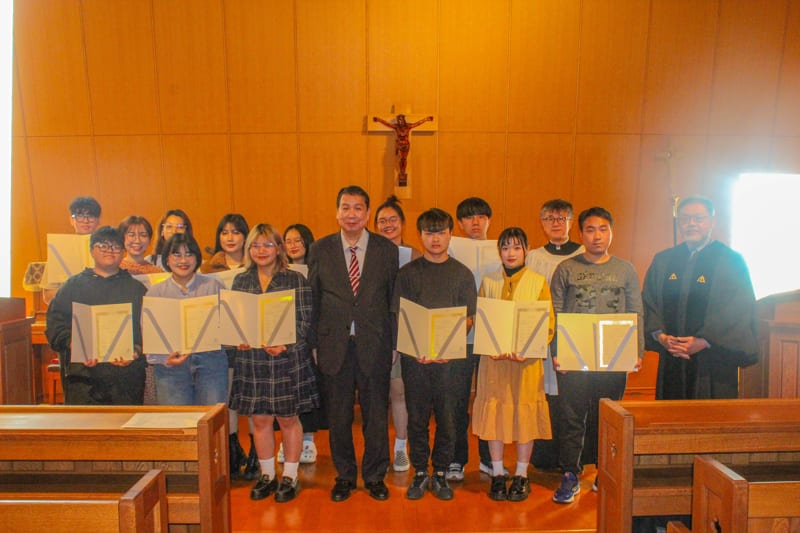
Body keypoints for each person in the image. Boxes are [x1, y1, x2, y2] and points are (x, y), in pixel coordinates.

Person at [307, 185, 399, 502]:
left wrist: (395, 342)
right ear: (337, 213)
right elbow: (313, 299)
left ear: (367, 214)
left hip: (376, 343)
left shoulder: (386, 251)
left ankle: (375, 476)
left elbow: (393, 301)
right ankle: (345, 475)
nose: (351, 214)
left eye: (358, 208)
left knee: (376, 415)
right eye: (345, 207)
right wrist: (313, 342)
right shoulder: (320, 249)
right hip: (334, 344)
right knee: (339, 415)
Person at [550, 207, 644, 504]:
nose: (597, 236)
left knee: (609, 416)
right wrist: (557, 352)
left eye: (603, 229)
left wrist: (636, 350)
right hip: (574, 354)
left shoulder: (625, 269)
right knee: (572, 416)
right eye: (590, 230)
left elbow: (636, 310)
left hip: (614, 354)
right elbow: (555, 313)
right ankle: (570, 473)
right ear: (580, 234)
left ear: (611, 232)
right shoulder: (566, 268)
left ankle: (607, 469)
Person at [229, 224, 319, 503]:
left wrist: (286, 345)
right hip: (253, 359)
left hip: (286, 359)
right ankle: (267, 475)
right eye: (255, 245)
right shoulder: (241, 281)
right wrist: (238, 338)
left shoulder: (295, 279)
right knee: (259, 419)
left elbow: (304, 320)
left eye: (268, 245)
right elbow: (235, 321)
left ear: (279, 249)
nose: (261, 251)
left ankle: (290, 475)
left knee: (288, 419)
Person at [393, 208, 476, 500]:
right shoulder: (407, 274)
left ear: (451, 234)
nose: (435, 238)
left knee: (448, 417)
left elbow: (468, 318)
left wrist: (445, 346)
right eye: (429, 233)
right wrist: (417, 348)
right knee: (417, 417)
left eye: (441, 232)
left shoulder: (462, 274)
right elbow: (401, 316)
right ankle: (419, 471)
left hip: (451, 360)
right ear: (420, 236)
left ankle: (440, 471)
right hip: (415, 359)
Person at [643, 196, 758, 400]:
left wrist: (704, 341)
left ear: (712, 221)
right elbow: (649, 303)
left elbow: (739, 309)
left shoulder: (731, 261)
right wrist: (661, 337)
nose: (691, 224)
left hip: (713, 364)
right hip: (672, 359)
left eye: (698, 218)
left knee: (710, 416)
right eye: (685, 218)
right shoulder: (664, 260)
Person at [473, 227, 554, 502]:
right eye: (505, 247)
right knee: (494, 413)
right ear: (499, 251)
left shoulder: (538, 282)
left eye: (516, 247)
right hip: (494, 361)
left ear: (526, 250)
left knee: (525, 414)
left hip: (526, 362)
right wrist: (490, 345)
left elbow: (547, 324)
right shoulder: (489, 281)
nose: (510, 253)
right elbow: (483, 320)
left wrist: (529, 349)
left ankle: (521, 474)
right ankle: (497, 473)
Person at [45, 226, 147, 405]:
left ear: (123, 253)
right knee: (85, 422)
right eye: (102, 245)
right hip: (83, 378)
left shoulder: (136, 289)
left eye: (115, 246)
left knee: (124, 422)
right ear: (92, 250)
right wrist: (73, 343)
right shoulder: (72, 286)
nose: (109, 250)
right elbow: (55, 323)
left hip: (125, 378)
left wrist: (136, 351)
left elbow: (147, 330)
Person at [525, 199, 584, 470]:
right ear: (542, 223)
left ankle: (572, 457)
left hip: (574, 335)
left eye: (561, 218)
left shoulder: (583, 254)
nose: (556, 224)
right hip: (541, 336)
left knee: (572, 396)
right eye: (550, 219)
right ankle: (545, 456)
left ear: (571, 222)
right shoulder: (534, 257)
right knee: (545, 394)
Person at [199, 213, 254, 480]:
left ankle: (256, 451)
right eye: (224, 232)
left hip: (251, 340)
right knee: (228, 396)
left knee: (253, 396)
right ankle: (232, 449)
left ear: (245, 236)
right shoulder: (207, 269)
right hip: (221, 340)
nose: (230, 237)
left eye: (236, 232)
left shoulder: (255, 263)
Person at [145, 233, 228, 406]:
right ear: (167, 259)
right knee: (177, 419)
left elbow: (229, 328)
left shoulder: (213, 287)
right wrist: (164, 359)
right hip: (171, 367)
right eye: (176, 254)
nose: (183, 260)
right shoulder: (156, 293)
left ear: (197, 258)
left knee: (211, 418)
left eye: (189, 254)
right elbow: (149, 335)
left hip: (211, 363)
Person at [447, 196, 496, 481]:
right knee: (457, 399)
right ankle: (456, 458)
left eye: (481, 216)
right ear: (460, 223)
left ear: (489, 219)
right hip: (461, 334)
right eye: (468, 217)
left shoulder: (502, 248)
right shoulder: (451, 246)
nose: (475, 222)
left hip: (492, 335)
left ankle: (490, 459)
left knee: (489, 399)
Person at [374, 195, 422, 473]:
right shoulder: (368, 255)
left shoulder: (414, 256)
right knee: (375, 395)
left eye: (393, 219)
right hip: (375, 332)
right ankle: (377, 448)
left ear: (403, 223)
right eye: (382, 221)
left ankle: (401, 446)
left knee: (399, 391)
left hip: (405, 331)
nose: (388, 225)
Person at [277, 223, 324, 465]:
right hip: (284, 340)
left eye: (298, 240)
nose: (293, 245)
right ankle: (286, 441)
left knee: (307, 392)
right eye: (288, 240)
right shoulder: (278, 272)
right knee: (285, 392)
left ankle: (307, 440)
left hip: (310, 339)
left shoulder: (318, 268)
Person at [371, 114, 434, 185]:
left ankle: (403, 172)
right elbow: (387, 124)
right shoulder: (396, 127)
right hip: (399, 145)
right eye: (398, 120)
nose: (399, 122)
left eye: (400, 120)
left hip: (406, 145)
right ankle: (401, 172)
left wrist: (426, 119)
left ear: (404, 120)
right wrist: (379, 120)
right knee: (401, 159)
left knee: (404, 159)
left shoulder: (408, 126)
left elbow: (418, 123)